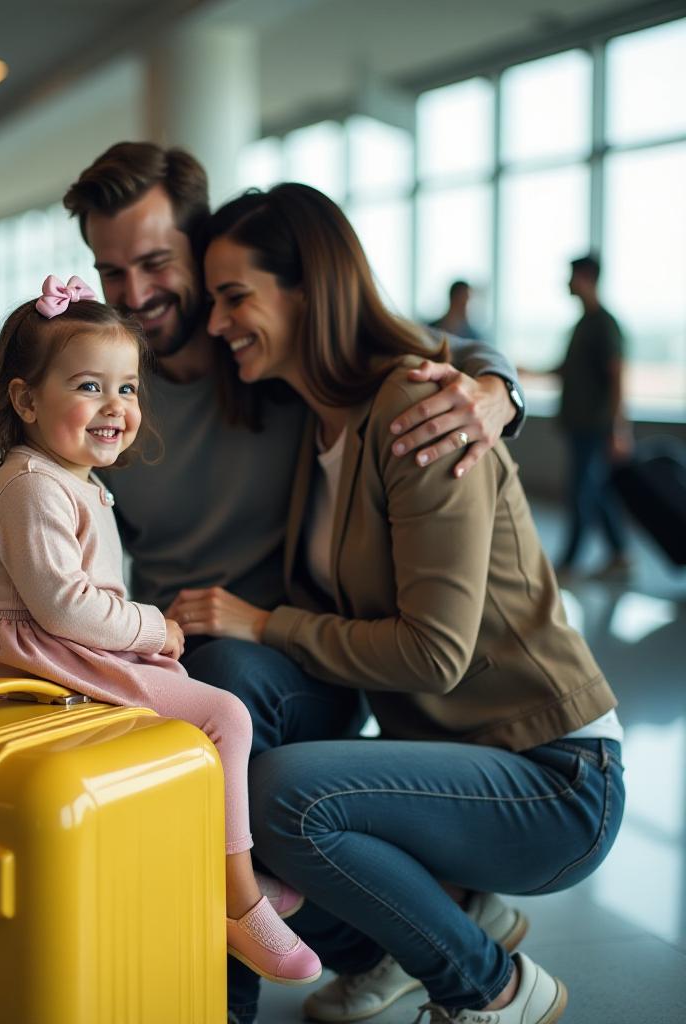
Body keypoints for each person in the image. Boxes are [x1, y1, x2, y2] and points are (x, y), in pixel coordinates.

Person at [0, 144, 530, 1024]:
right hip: (142, 633)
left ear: (205, 256)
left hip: (269, 654)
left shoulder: (264, 353)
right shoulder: (101, 374)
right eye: (110, 268)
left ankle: (219, 995)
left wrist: (493, 388)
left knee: (222, 693)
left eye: (156, 262)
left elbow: (417, 348)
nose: (132, 291)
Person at [183, 182, 624, 1024]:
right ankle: (447, 921)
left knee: (282, 794)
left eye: (235, 296)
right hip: (456, 753)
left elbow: (433, 654)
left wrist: (262, 622)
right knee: (240, 726)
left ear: (311, 288)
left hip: (556, 773)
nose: (215, 323)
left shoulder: (419, 409)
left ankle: (491, 986)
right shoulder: (318, 428)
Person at [0, 275, 321, 982]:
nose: (115, 407)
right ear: (26, 400)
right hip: (39, 660)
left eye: (128, 389)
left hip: (59, 652)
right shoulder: (33, 484)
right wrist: (153, 627)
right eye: (90, 386)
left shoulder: (72, 476)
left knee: (185, 724)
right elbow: (63, 605)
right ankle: (238, 900)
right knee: (224, 716)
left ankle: (210, 873)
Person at [553, 254, 631, 579]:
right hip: (579, 425)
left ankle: (569, 562)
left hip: (595, 426)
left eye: (572, 276)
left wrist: (618, 428)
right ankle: (620, 554)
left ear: (586, 277)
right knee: (594, 491)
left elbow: (617, 377)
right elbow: (569, 371)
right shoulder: (584, 324)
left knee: (581, 492)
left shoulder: (603, 324)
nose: (567, 282)